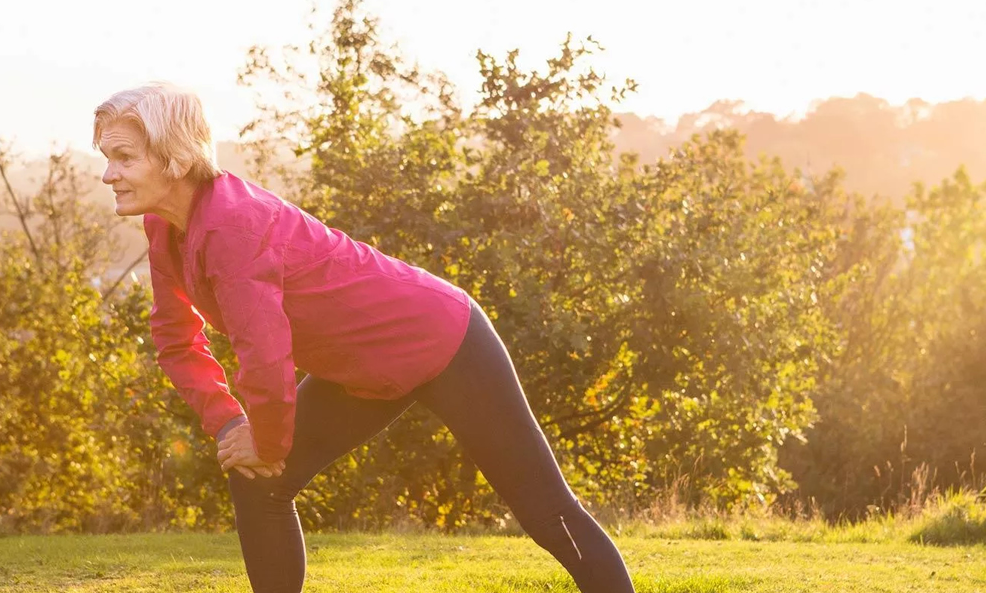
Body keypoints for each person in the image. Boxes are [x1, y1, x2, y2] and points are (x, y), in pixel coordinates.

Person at [95, 82, 636, 593]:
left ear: (176, 157)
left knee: (546, 510)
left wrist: (267, 440)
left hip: (442, 339)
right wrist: (230, 422)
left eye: (124, 158)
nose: (108, 174)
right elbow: (175, 338)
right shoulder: (166, 225)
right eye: (107, 157)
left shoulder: (231, 227)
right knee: (257, 479)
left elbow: (264, 353)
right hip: (361, 368)